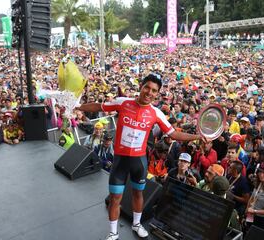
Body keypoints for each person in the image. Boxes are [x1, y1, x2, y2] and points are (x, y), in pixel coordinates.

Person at [76, 74, 204, 240]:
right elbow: (98, 106)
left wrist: (197, 137)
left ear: (157, 94)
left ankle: (136, 224)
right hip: (120, 161)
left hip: (139, 162)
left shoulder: (156, 112)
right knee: (115, 199)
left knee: (138, 194)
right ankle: (113, 232)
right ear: (141, 86)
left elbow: (174, 134)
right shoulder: (123, 102)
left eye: (154, 91)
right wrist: (79, 107)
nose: (149, 93)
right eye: (147, 88)